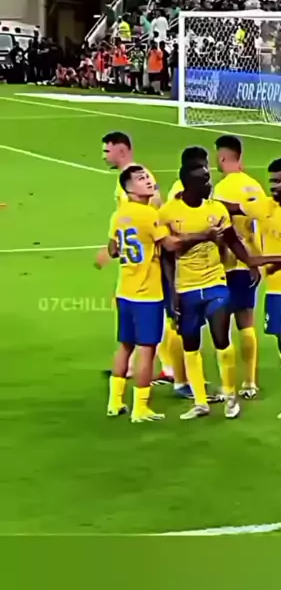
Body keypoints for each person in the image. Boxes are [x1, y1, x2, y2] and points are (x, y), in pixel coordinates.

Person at [224, 157, 281, 424]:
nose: (274, 186)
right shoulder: (264, 206)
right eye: (271, 181)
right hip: (275, 286)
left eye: (278, 181)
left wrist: (264, 260)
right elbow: (232, 208)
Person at [157, 162, 253, 420]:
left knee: (222, 337)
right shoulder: (168, 213)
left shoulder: (216, 209)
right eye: (203, 180)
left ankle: (230, 397)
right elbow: (168, 254)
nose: (209, 184)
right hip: (186, 287)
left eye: (209, 178)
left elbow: (232, 239)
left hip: (215, 282)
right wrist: (173, 293)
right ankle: (200, 402)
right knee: (191, 344)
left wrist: (251, 263)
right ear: (188, 183)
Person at [106, 165, 180, 423]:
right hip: (147, 294)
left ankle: (115, 402)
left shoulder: (118, 215)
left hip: (124, 291)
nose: (148, 180)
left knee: (125, 346)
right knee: (146, 349)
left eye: (147, 176)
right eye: (141, 179)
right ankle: (140, 408)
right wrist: (202, 235)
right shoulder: (150, 215)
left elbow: (113, 249)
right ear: (129, 188)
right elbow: (169, 244)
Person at [213, 135, 266, 398]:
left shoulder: (222, 189)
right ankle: (250, 382)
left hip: (229, 263)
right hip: (252, 262)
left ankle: (228, 387)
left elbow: (221, 229)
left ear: (222, 157)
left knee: (222, 326)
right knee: (246, 322)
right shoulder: (256, 186)